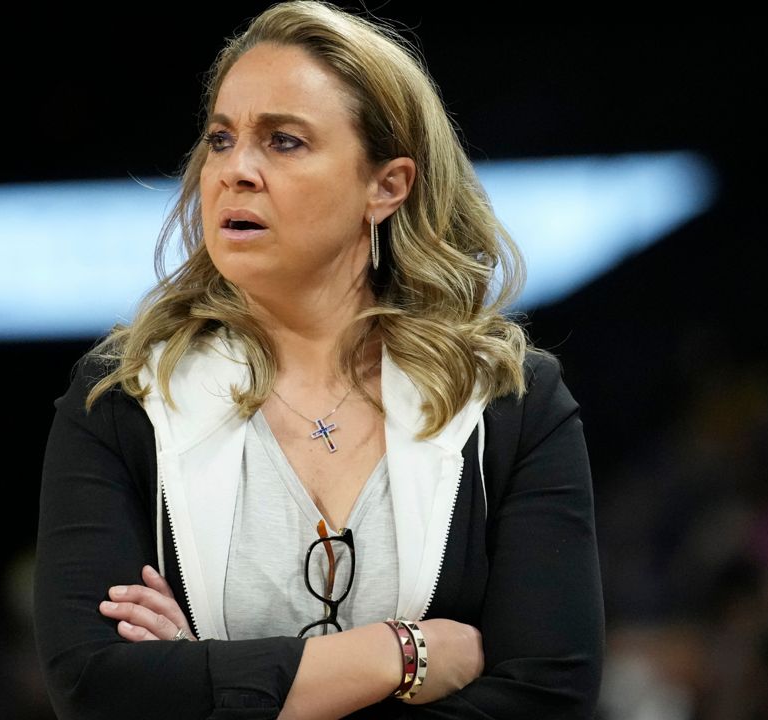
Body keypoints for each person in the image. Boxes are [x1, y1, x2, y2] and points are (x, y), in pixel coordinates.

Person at [33, 1, 604, 718]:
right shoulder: (122, 400)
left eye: (285, 142)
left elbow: (548, 696)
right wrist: (399, 655)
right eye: (221, 138)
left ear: (386, 186)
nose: (235, 171)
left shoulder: (507, 403)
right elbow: (97, 688)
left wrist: (209, 682)